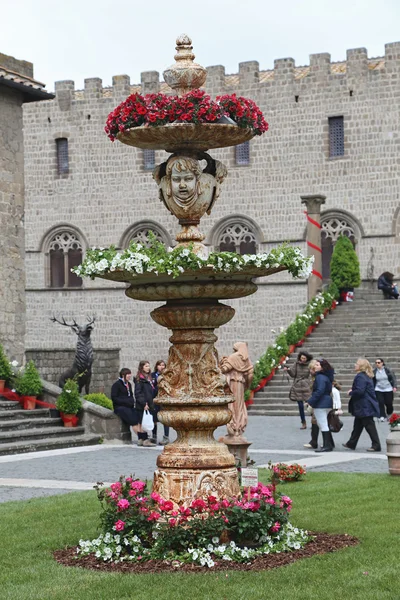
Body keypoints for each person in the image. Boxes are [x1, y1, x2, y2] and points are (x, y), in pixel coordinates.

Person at [343, 358, 381, 452]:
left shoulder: (360, 376)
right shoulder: (365, 376)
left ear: (361, 366)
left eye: (356, 364)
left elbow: (360, 391)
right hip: (364, 405)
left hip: (364, 405)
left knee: (369, 426)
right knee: (358, 425)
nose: (355, 365)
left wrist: (351, 392)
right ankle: (351, 443)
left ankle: (376, 445)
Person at [220, 342, 254, 440]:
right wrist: (247, 385)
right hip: (241, 385)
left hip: (232, 385)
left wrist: (222, 363)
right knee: (239, 407)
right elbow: (250, 375)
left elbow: (224, 369)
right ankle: (238, 429)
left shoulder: (233, 357)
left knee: (232, 406)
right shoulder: (246, 360)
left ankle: (233, 428)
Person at [111, 368, 145, 445]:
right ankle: (141, 438)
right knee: (133, 420)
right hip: (120, 407)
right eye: (128, 374)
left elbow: (131, 395)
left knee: (138, 417)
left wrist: (131, 401)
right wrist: (126, 401)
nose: (130, 376)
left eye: (130, 374)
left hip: (129, 406)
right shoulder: (116, 385)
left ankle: (143, 437)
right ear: (123, 375)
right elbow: (114, 398)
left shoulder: (128, 384)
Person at [306, 359, 334, 452]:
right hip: (327, 402)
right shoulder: (326, 377)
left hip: (321, 403)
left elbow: (320, 391)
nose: (315, 366)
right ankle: (328, 444)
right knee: (323, 423)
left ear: (322, 367)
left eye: (317, 365)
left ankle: (327, 445)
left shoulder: (320, 377)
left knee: (323, 424)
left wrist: (310, 401)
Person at [284, 351, 313, 430]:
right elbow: (293, 374)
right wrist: (288, 370)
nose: (302, 359)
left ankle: (313, 421)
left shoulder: (310, 365)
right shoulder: (296, 364)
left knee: (310, 404)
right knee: (300, 406)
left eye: (304, 358)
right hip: (297, 386)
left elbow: (312, 373)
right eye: (301, 357)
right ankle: (303, 422)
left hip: (306, 386)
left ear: (307, 358)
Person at [134, 360, 157, 447]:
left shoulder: (148, 377)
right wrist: (144, 403)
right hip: (143, 404)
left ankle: (141, 439)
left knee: (141, 422)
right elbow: (138, 393)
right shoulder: (140, 379)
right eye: (146, 366)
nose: (148, 368)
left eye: (148, 366)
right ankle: (145, 440)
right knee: (143, 422)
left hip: (148, 402)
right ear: (142, 367)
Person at [151, 360, 170, 445]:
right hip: (155, 399)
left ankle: (166, 437)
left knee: (165, 419)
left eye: (163, 365)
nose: (162, 367)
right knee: (154, 419)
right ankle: (154, 436)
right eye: (160, 365)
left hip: (164, 400)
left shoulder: (168, 376)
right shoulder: (152, 375)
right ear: (156, 366)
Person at [303, 359, 319, 449]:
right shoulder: (314, 378)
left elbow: (317, 392)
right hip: (316, 402)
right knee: (316, 423)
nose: (310, 371)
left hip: (317, 403)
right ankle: (314, 441)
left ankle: (314, 442)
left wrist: (311, 402)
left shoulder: (318, 378)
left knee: (316, 422)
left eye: (311, 369)